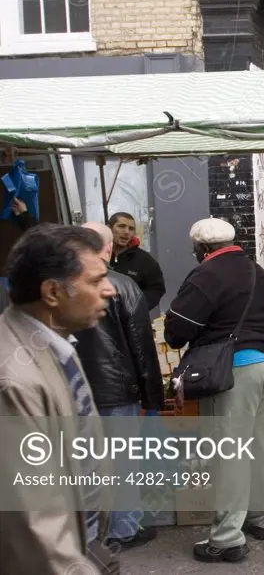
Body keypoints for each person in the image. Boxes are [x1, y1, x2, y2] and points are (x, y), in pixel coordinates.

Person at [164, 218, 264, 564]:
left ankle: (227, 538)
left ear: (201, 249)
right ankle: (261, 517)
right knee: (261, 444)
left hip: (235, 370)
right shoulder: (258, 272)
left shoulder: (206, 275)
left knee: (229, 450)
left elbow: (178, 329)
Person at [0, 224, 118, 574]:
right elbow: (33, 525)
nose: (109, 290)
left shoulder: (56, 344)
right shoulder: (14, 381)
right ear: (53, 292)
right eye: (95, 281)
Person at [74, 222, 164, 550]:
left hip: (71, 391)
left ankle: (87, 531)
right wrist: (153, 396)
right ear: (109, 248)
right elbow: (141, 344)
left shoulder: (57, 284)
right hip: (115, 390)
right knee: (122, 462)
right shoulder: (122, 284)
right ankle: (122, 530)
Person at [109, 211, 166, 312]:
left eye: (131, 228)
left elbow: (156, 289)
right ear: (109, 228)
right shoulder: (97, 255)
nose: (126, 232)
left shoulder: (145, 260)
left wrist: (137, 308)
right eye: (121, 226)